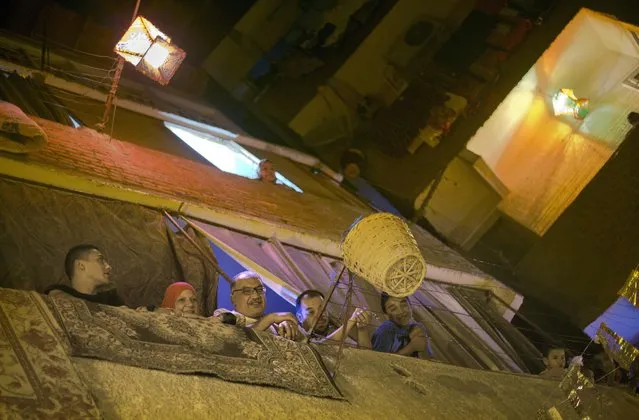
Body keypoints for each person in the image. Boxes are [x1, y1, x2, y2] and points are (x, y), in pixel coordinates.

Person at [214, 271, 299, 340]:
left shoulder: (277, 324)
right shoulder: (224, 315)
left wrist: (289, 327)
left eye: (260, 289)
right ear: (233, 298)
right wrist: (270, 318)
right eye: (247, 291)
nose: (256, 296)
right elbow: (235, 340)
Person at [45, 244, 125, 306]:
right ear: (81, 266)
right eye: (100, 261)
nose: (108, 267)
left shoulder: (111, 299)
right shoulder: (57, 297)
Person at [295, 289, 371, 348]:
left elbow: (367, 356)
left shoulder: (333, 330)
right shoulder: (297, 334)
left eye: (323, 309)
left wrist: (362, 328)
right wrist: (351, 321)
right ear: (300, 317)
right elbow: (321, 348)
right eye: (311, 312)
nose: (319, 315)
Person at [372, 292, 433, 358]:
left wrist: (422, 345)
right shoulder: (385, 330)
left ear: (410, 305)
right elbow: (378, 361)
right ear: (386, 316)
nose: (401, 311)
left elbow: (429, 359)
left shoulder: (417, 327)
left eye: (404, 305)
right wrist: (411, 347)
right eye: (393, 309)